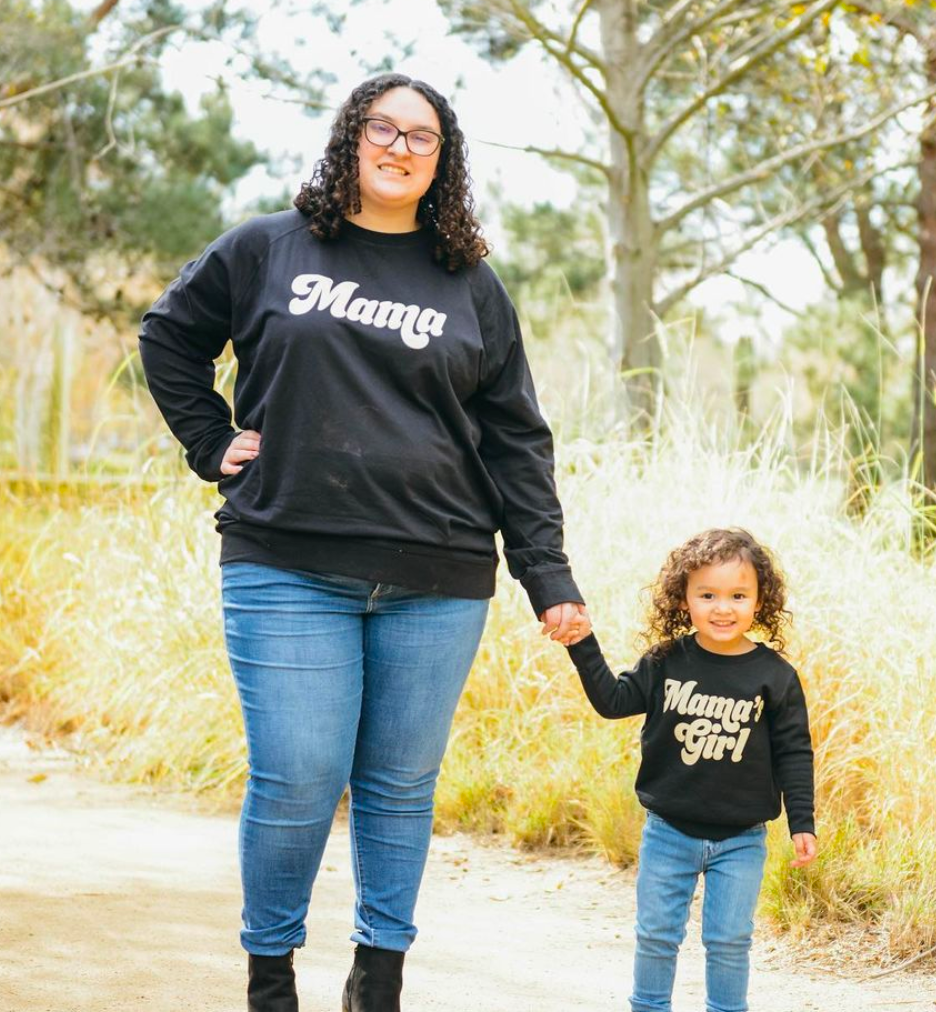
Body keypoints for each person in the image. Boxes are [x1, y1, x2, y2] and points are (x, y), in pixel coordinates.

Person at [138, 72, 591, 1012]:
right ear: (351, 136)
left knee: (398, 786)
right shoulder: (268, 247)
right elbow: (170, 337)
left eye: (422, 137)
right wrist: (211, 440)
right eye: (383, 127)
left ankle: (378, 978)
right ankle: (271, 979)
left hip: (439, 574)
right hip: (286, 559)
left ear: (442, 161)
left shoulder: (470, 283)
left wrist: (546, 573)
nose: (399, 147)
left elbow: (515, 438)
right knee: (298, 777)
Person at [563, 528, 816, 1012]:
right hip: (668, 832)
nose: (723, 608)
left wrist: (802, 821)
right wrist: (583, 644)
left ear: (760, 600)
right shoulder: (665, 662)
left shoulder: (775, 676)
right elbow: (613, 701)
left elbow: (794, 752)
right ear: (684, 599)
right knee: (657, 936)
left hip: (741, 838)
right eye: (708, 595)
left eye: (738, 595)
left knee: (729, 941)